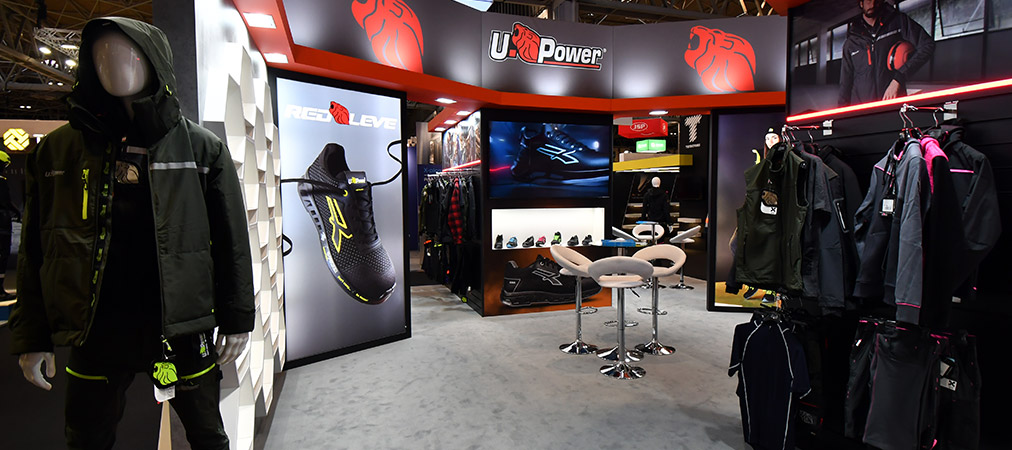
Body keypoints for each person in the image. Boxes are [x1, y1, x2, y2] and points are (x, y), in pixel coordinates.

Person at [8, 17, 254, 450]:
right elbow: (36, 249)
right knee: (86, 439)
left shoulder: (201, 149)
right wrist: (32, 334)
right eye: (100, 55)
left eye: (131, 55)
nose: (114, 65)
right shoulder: (58, 151)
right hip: (96, 327)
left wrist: (237, 318)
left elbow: (232, 241)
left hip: (181, 326)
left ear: (155, 62)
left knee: (208, 437)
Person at [839, 0, 934, 106]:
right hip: (863, 109)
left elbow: (927, 45)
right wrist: (841, 113)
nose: (872, 4)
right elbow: (845, 84)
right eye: (869, 0)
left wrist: (899, 78)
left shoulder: (898, 22)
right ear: (861, 3)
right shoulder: (851, 42)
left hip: (892, 104)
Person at [0, 150, 17, 301]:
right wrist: (16, 212)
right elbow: (6, 202)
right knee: (2, 255)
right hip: (2, 224)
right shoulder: (1, 182)